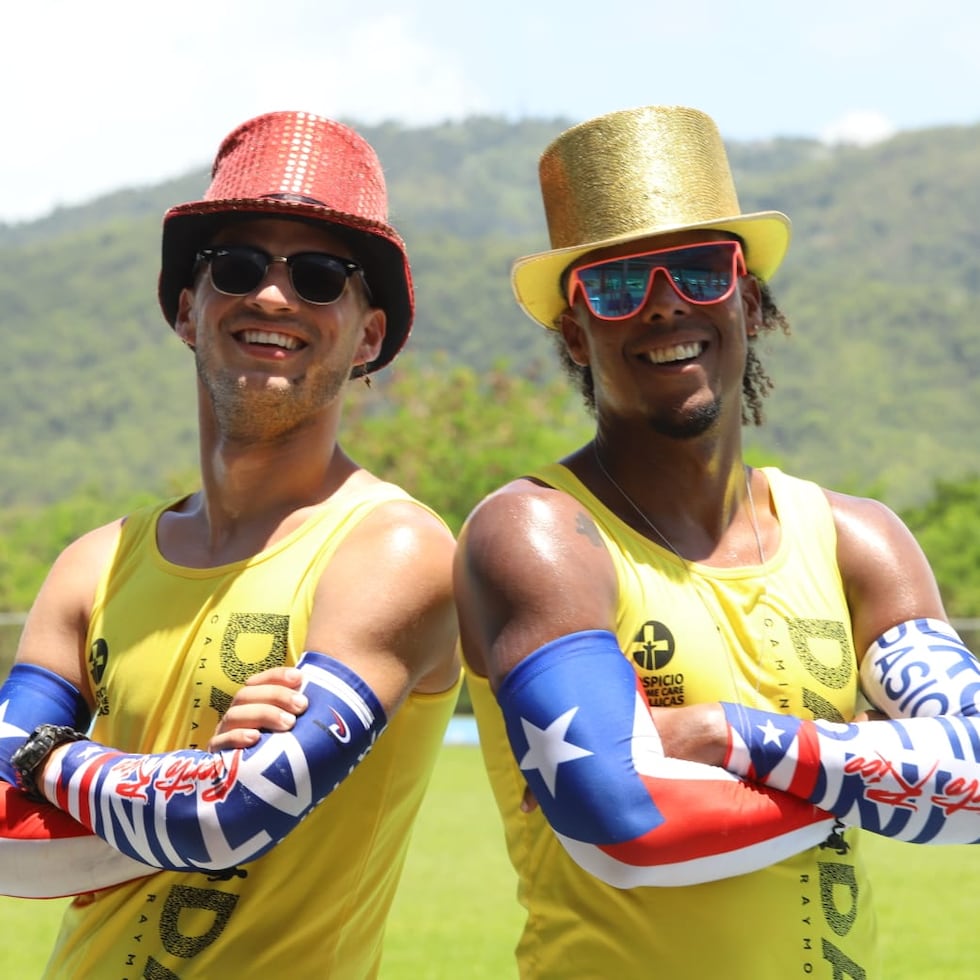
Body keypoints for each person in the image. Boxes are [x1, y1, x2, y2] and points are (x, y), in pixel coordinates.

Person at [452, 105, 980, 979]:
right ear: (575, 334)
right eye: (618, 285)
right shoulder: (542, 533)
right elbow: (622, 823)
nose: (664, 307)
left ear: (751, 298)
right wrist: (890, 777)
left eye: (699, 270)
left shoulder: (858, 540)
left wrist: (730, 736)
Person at [0, 110, 460, 978]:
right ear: (187, 309)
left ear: (368, 337)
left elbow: (229, 816)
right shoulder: (93, 564)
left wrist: (47, 759)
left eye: (323, 276)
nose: (275, 296)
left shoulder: (395, 549)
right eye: (239, 266)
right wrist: (167, 780)